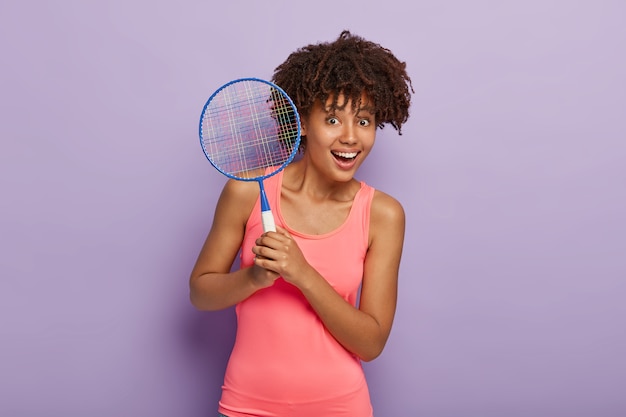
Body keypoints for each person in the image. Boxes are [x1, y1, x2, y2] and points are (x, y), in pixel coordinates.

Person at [190, 30, 413, 417]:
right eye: (332, 118)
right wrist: (254, 278)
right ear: (303, 122)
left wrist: (303, 273)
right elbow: (200, 292)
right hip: (246, 405)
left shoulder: (383, 214)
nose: (350, 137)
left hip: (341, 407)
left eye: (364, 120)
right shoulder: (247, 191)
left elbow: (371, 342)